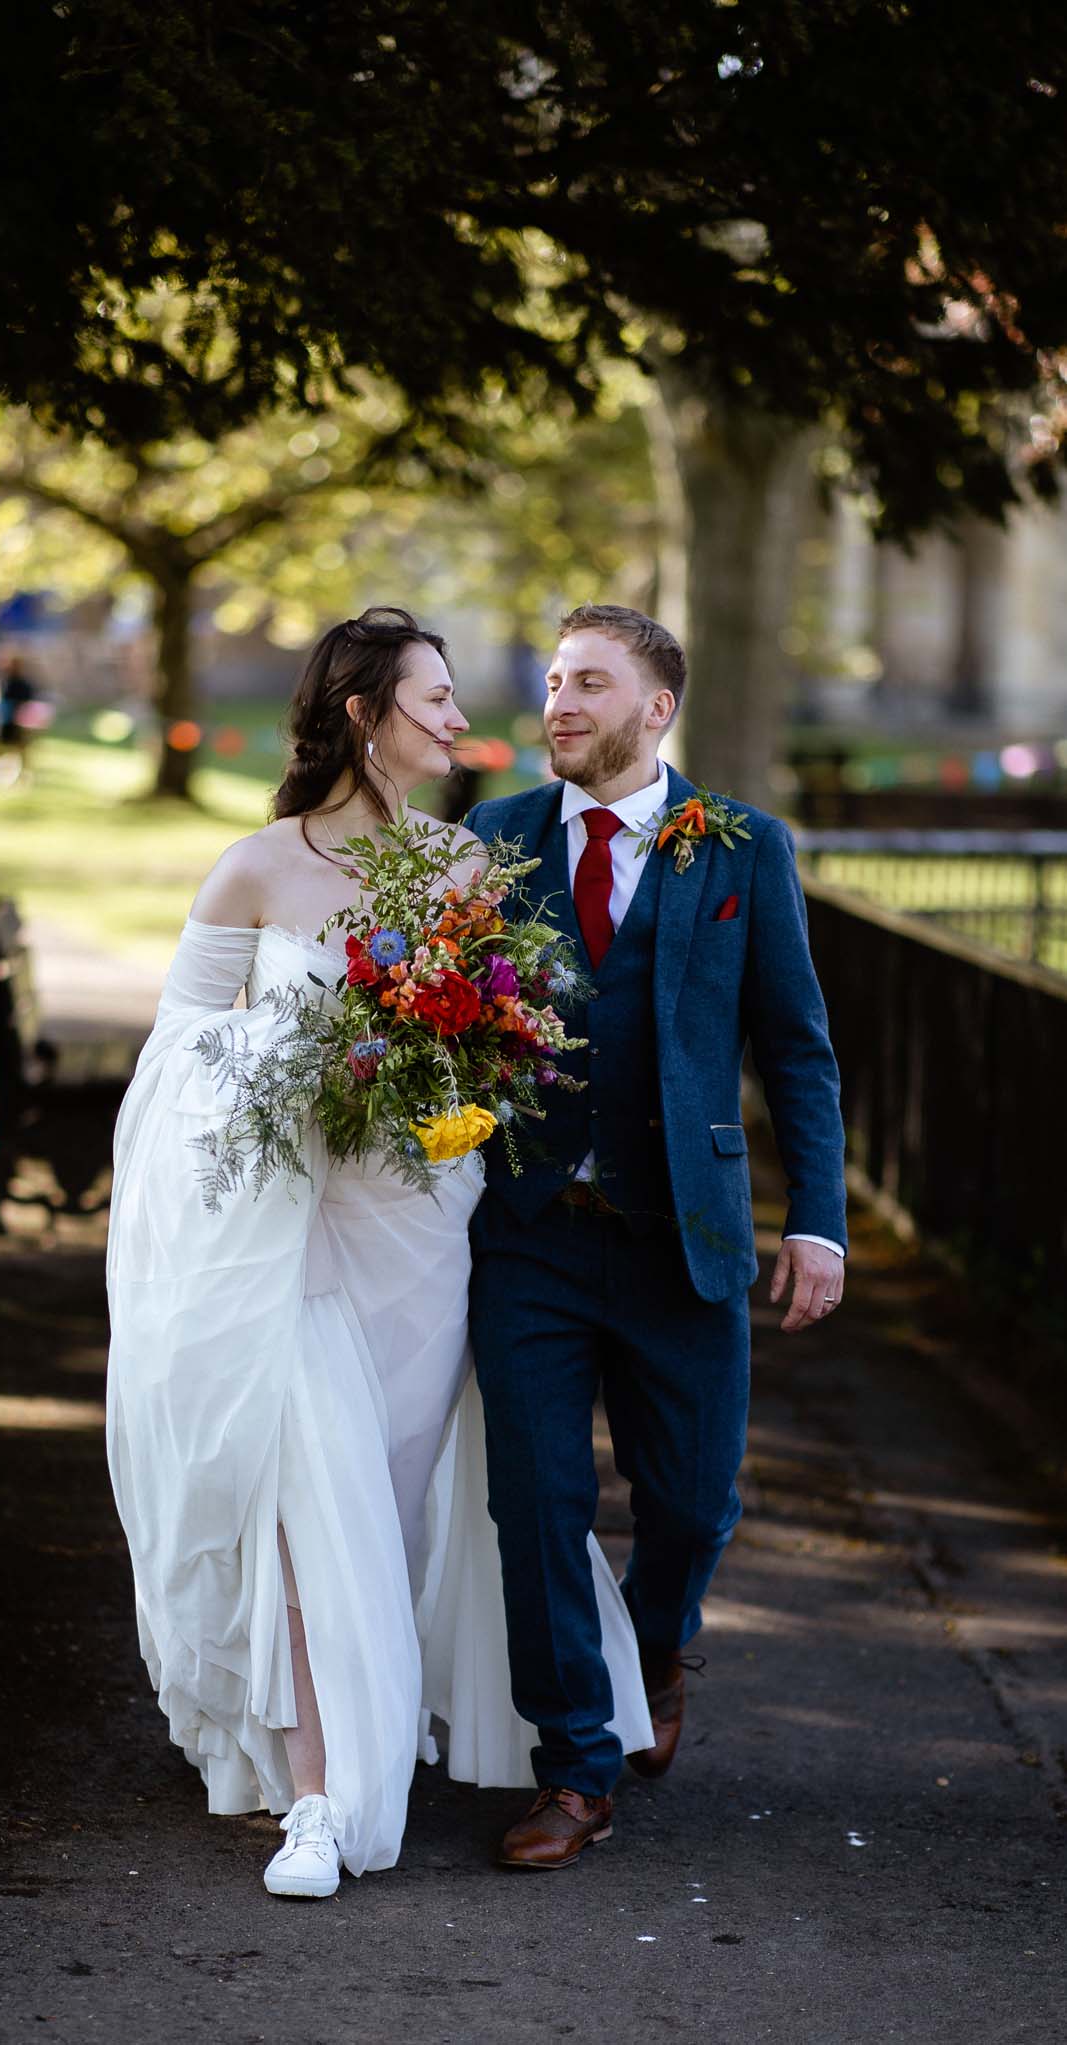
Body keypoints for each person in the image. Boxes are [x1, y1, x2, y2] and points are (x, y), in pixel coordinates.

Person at [105, 607, 652, 1900]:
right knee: (311, 1501)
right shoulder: (251, 870)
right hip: (287, 1240)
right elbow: (174, 1056)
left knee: (390, 1509)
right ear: (363, 715)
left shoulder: (465, 874)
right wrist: (299, 1076)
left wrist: (428, 1110)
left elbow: (506, 1078)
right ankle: (314, 1799)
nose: (462, 723)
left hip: (421, 1235)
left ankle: (380, 1720)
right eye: (436, 701)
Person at [466, 602, 848, 1870]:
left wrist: (820, 1224)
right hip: (527, 1231)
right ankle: (575, 1764)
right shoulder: (495, 839)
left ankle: (655, 1645)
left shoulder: (742, 847)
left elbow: (795, 1050)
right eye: (551, 680)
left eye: (589, 682)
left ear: (656, 707)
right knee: (536, 1500)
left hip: (686, 1235)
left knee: (690, 1504)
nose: (558, 703)